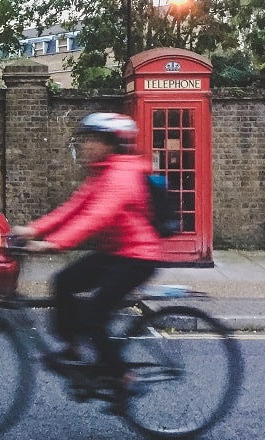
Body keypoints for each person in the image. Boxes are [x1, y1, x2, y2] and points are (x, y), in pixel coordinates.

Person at [11, 112, 162, 383]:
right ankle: (73, 347)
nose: (85, 146)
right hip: (115, 252)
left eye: (92, 140)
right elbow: (73, 209)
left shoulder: (121, 177)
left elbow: (94, 218)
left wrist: (51, 245)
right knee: (64, 281)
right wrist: (32, 230)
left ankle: (122, 377)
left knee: (94, 317)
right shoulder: (102, 174)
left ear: (110, 143)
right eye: (85, 139)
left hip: (138, 258)